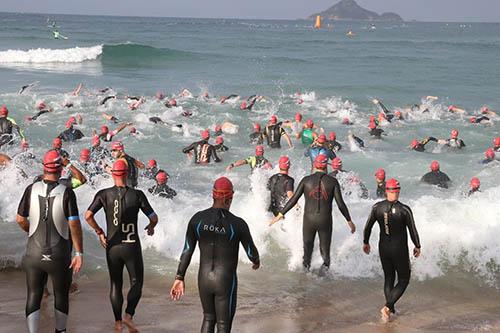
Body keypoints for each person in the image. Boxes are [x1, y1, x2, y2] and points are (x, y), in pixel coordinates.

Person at [170, 177, 260, 333]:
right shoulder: (238, 224)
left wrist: (179, 277)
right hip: (225, 281)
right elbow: (251, 252)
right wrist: (256, 261)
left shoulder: (197, 219)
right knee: (223, 325)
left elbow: (187, 250)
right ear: (230, 197)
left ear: (213, 195)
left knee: (208, 318)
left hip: (204, 279)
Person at [85, 160, 158, 333]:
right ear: (126, 174)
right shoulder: (138, 195)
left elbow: (88, 215)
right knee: (136, 282)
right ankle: (128, 316)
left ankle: (117, 323)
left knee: (115, 284)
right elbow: (154, 217)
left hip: (113, 247)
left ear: (112, 174)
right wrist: (151, 227)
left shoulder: (103, 194)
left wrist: (99, 232)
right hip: (131, 245)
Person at [16, 150, 83, 333]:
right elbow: (74, 224)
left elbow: (20, 219)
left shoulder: (31, 188)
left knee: (34, 295)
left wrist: (31, 233)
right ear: (61, 169)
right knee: (61, 296)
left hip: (34, 254)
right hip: (59, 255)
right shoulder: (67, 192)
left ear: (43, 168)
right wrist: (78, 252)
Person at [269, 155, 355, 272]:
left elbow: (293, 199)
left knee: (307, 252)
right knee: (325, 253)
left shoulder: (306, 180)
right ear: (326, 165)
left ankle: (306, 277)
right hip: (325, 221)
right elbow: (341, 204)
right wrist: (349, 221)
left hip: (309, 221)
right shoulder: (333, 182)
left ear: (314, 165)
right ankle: (323, 280)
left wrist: (280, 215)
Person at [363, 178, 421, 322]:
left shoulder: (377, 207)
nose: (395, 192)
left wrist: (365, 242)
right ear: (398, 191)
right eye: (395, 190)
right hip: (399, 249)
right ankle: (388, 306)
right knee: (404, 279)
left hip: (384, 248)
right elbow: (413, 230)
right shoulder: (404, 209)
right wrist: (417, 246)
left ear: (385, 191)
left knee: (389, 277)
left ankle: (390, 310)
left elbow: (368, 227)